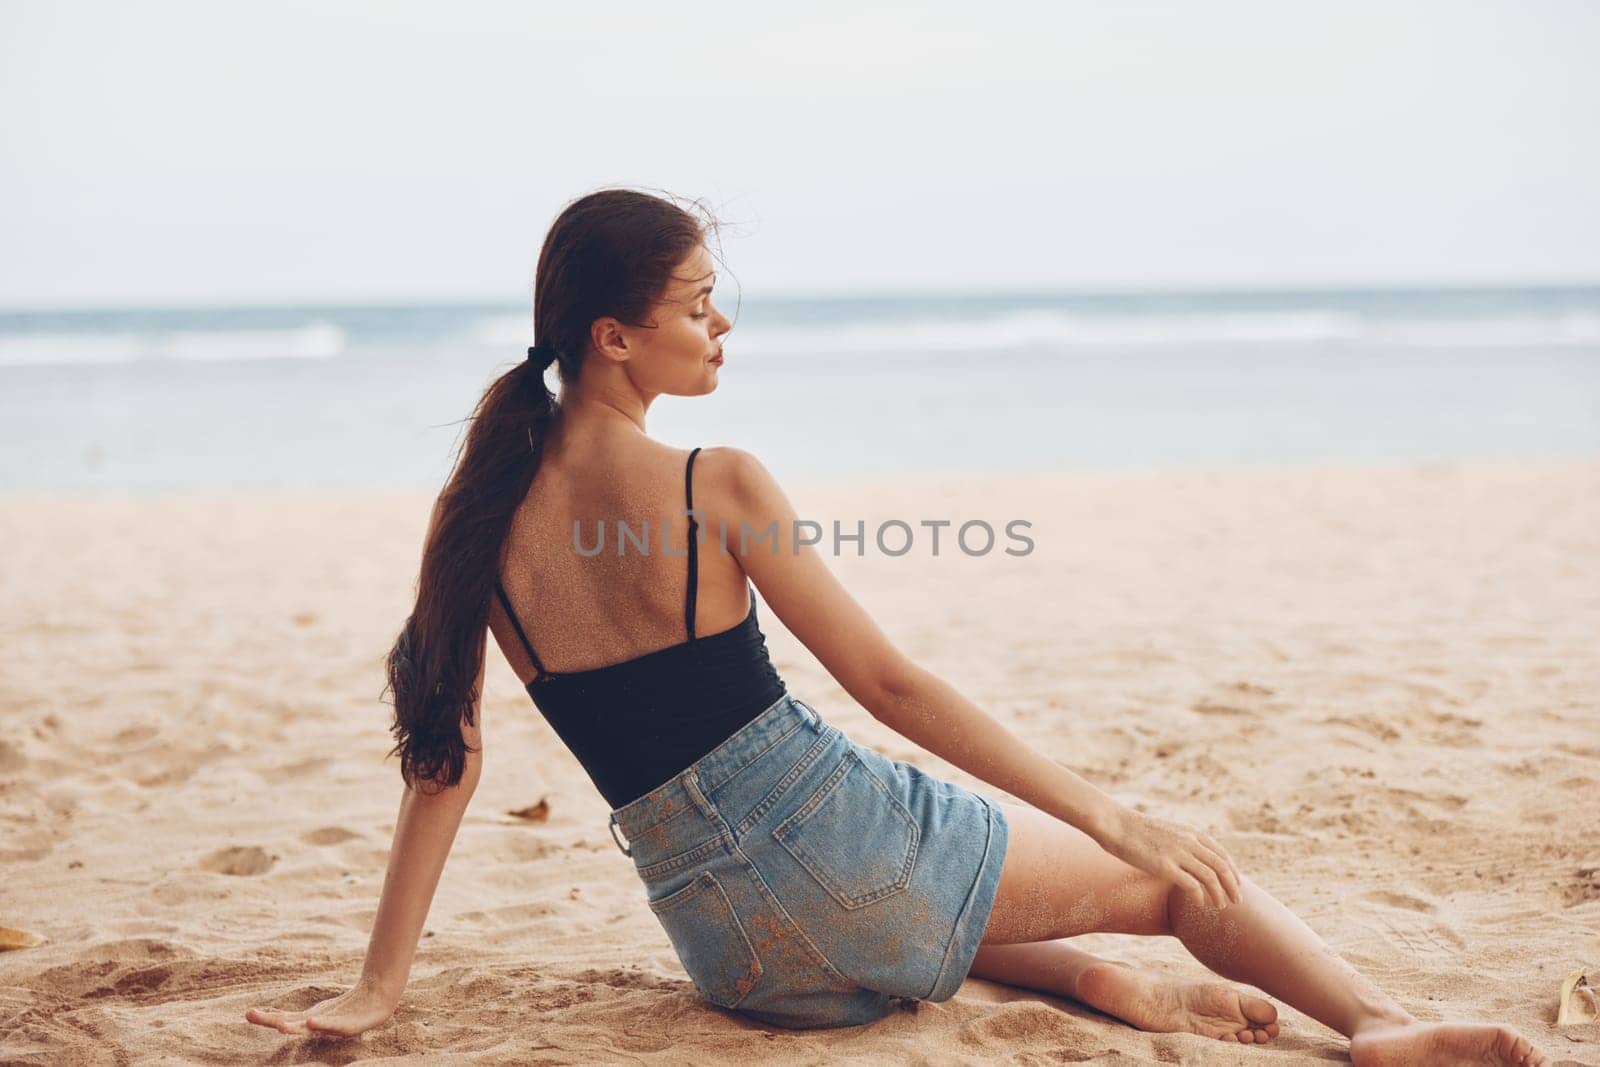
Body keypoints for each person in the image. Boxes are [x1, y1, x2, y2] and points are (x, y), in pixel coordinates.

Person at [246, 188, 1546, 1065]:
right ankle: (1376, 1027)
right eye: (697, 304)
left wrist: (379, 991)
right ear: (615, 337)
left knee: (946, 906)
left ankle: (1097, 985)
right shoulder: (718, 481)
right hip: (846, 866)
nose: (720, 323)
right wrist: (1114, 815)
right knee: (1181, 883)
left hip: (737, 959)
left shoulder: (474, 517)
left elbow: (444, 765)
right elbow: (892, 686)